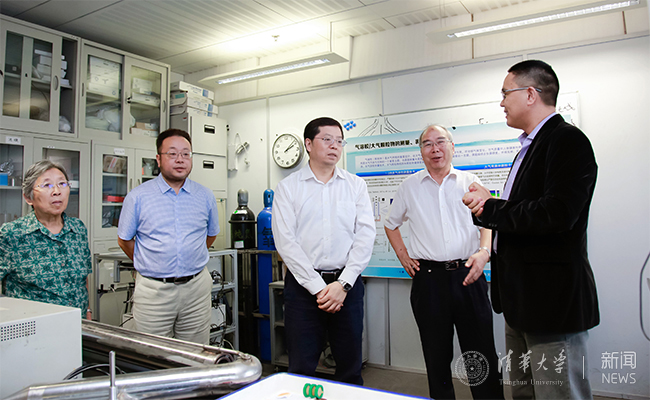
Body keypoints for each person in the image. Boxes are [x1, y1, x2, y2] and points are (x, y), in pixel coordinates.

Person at [462, 60, 599, 399]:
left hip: (550, 302)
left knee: (558, 393)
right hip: (521, 300)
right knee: (524, 392)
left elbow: (557, 214)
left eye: (505, 93)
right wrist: (488, 207)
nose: (501, 103)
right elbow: (524, 212)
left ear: (530, 94)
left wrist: (491, 207)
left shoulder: (567, 140)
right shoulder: (530, 146)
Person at [384, 125, 503, 400]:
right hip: (429, 280)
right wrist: (403, 255)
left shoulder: (470, 181)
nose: (435, 149)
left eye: (441, 142)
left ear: (452, 147)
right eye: (428, 144)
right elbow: (390, 224)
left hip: (468, 275)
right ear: (421, 151)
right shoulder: (409, 187)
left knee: (481, 353)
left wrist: (484, 251)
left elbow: (486, 220)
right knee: (436, 354)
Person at [272, 117, 375, 385]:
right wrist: (319, 288)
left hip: (347, 288)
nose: (334, 146)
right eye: (327, 139)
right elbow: (286, 242)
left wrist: (343, 283)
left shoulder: (355, 185)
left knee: (350, 367)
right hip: (303, 290)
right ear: (308, 144)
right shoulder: (288, 188)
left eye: (339, 141)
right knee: (301, 366)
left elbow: (365, 235)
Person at [117, 128, 219, 345]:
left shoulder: (205, 196)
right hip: (154, 292)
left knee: (196, 353)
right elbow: (124, 240)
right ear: (158, 159)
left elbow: (210, 236)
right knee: (153, 354)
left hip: (196, 289)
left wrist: (188, 256)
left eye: (186, 154)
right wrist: (151, 262)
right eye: (172, 154)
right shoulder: (138, 197)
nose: (180, 159)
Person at [0, 160, 92, 319]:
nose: (57, 191)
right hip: (32, 328)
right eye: (47, 185)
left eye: (62, 184)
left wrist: (88, 311)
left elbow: (83, 279)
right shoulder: (12, 234)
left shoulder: (78, 229)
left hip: (78, 324)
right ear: (28, 197)